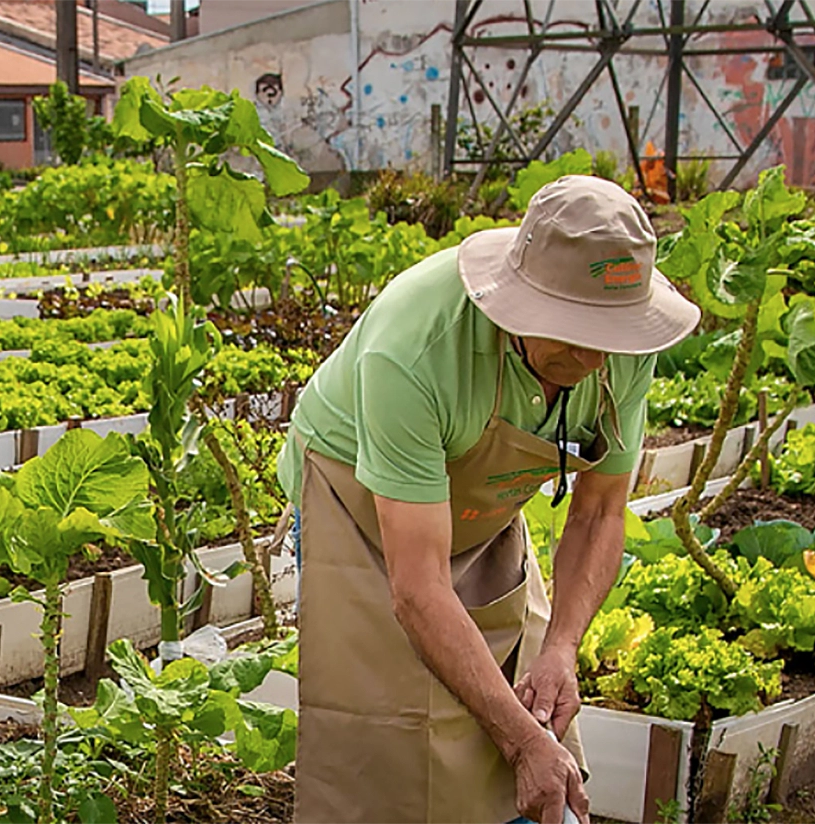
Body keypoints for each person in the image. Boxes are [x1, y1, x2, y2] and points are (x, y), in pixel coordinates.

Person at [277, 175, 701, 824]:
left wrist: (563, 646)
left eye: (606, 336)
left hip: (484, 509)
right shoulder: (416, 346)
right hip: (358, 504)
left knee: (532, 708)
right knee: (385, 739)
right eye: (569, 331)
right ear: (520, 303)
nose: (591, 355)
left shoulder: (621, 340)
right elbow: (416, 587)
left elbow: (600, 510)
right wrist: (520, 739)